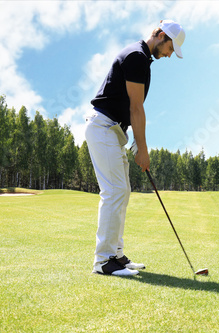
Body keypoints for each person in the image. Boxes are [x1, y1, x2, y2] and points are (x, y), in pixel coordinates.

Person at [85, 20, 185, 276]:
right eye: (170, 48)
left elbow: (134, 109)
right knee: (114, 191)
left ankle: (116, 256)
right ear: (161, 36)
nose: (170, 54)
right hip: (104, 127)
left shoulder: (142, 58)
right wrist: (142, 149)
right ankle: (103, 261)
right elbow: (136, 108)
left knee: (123, 191)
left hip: (114, 131)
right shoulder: (136, 57)